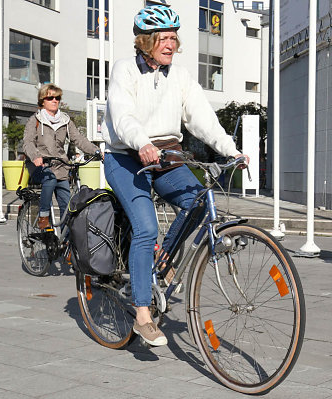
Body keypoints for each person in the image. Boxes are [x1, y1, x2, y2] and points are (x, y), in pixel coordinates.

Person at [101, 5, 249, 346]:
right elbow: (122, 117)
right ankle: (142, 314)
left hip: (166, 155)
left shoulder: (179, 76)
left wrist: (231, 150)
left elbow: (202, 117)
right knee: (146, 227)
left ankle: (163, 260)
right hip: (126, 156)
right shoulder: (124, 69)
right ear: (146, 41)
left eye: (173, 38)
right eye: (163, 38)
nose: (170, 44)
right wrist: (142, 143)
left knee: (198, 202)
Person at [23, 83, 99, 229]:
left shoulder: (65, 120)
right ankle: (43, 216)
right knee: (50, 179)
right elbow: (27, 142)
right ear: (42, 101)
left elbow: (78, 139)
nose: (54, 100)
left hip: (60, 166)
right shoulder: (36, 120)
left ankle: (65, 244)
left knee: (67, 206)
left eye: (57, 97)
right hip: (40, 165)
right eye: (50, 97)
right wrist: (35, 156)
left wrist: (96, 151)